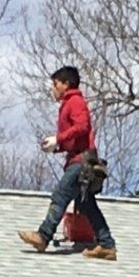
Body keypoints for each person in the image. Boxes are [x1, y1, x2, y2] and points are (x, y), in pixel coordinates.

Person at [18, 66, 117, 260]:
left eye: (55, 84)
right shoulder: (69, 104)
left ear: (66, 84)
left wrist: (58, 138)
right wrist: (57, 146)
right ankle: (106, 244)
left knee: (61, 194)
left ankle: (43, 235)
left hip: (81, 161)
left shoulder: (75, 102)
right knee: (86, 203)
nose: (53, 89)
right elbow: (75, 137)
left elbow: (82, 126)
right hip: (80, 158)